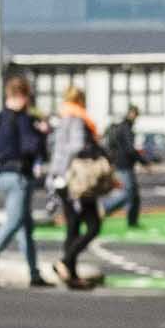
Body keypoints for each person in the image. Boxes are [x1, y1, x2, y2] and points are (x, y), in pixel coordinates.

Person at [0, 74, 51, 288]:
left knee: (25, 227)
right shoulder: (24, 119)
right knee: (14, 222)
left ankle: (34, 273)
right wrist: (42, 134)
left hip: (3, 174)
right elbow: (31, 148)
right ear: (23, 96)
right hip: (19, 177)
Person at [51, 84, 118, 290]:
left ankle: (70, 273)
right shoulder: (78, 118)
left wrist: (56, 174)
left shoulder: (63, 117)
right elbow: (77, 146)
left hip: (64, 178)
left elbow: (57, 149)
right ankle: (65, 262)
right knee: (93, 225)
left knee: (73, 225)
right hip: (78, 178)